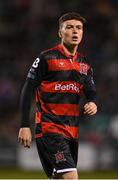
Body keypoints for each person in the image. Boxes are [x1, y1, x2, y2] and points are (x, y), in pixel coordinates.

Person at [18, 12, 97, 179]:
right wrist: (24, 125)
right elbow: (27, 89)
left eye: (79, 28)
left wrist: (92, 102)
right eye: (69, 27)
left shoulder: (85, 63)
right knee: (70, 176)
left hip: (72, 130)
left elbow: (90, 91)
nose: (75, 31)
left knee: (59, 177)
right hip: (49, 128)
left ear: (83, 33)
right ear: (60, 33)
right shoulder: (46, 58)